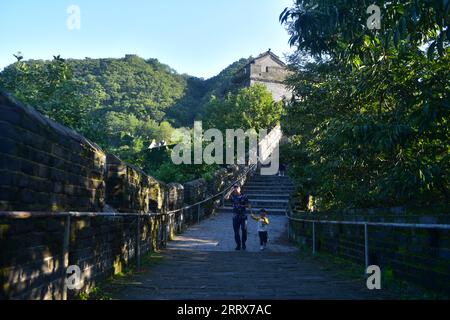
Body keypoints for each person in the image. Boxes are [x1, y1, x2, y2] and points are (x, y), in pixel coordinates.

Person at [225, 184, 251, 250]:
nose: (235, 188)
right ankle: (238, 244)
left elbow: (248, 204)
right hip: (235, 217)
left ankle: (244, 243)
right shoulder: (233, 196)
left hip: (243, 216)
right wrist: (230, 191)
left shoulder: (244, 196)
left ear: (240, 188)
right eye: (234, 187)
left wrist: (244, 206)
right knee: (236, 232)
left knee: (244, 230)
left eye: (237, 187)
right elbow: (225, 197)